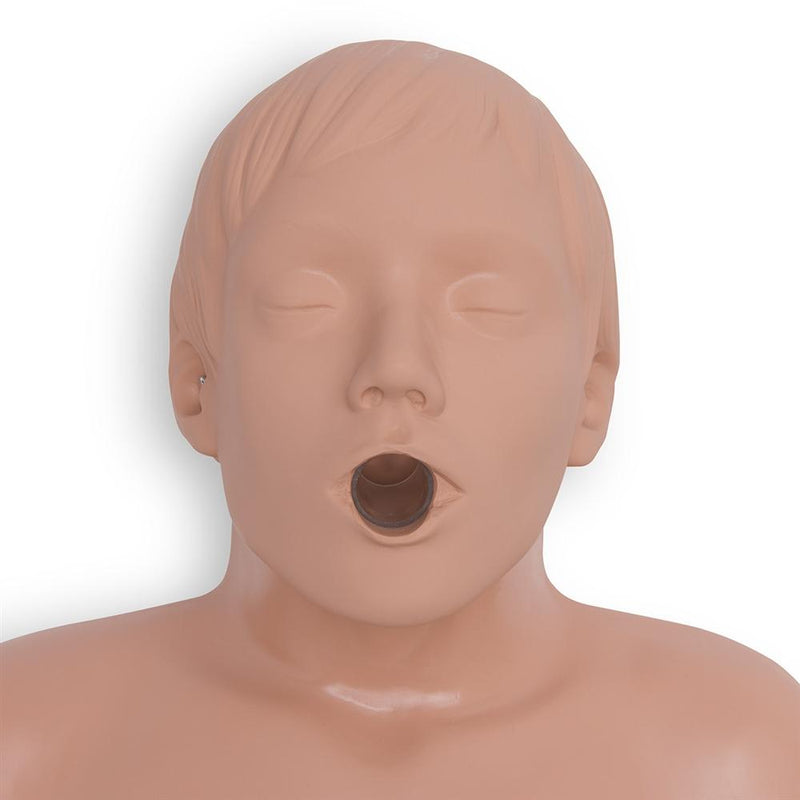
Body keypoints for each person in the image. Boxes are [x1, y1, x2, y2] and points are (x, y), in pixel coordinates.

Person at [2, 39, 798, 799]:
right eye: (306, 301)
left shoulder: (740, 761)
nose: (396, 365)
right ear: (196, 383)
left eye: (486, 306)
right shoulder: (28, 747)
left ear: (591, 391)